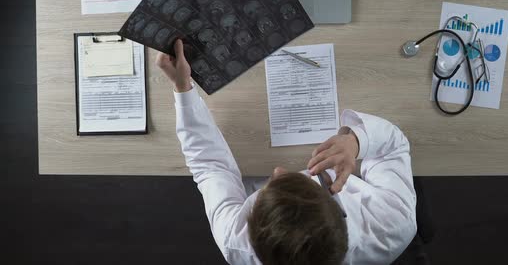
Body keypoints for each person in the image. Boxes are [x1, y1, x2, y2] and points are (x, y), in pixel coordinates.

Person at [157, 39, 417, 265]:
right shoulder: (393, 225)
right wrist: (358, 141)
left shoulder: (235, 240)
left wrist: (183, 87)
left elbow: (211, 166)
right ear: (336, 204)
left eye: (270, 185)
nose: (278, 169)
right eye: (295, 180)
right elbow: (394, 148)